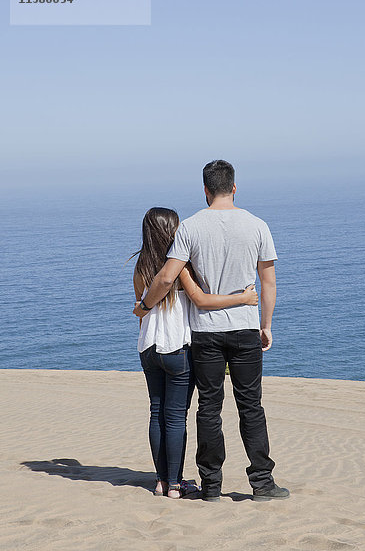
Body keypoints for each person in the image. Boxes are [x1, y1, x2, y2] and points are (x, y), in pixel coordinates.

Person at [134, 160, 289, 502]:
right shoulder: (258, 225)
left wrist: (143, 308)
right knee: (251, 407)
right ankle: (262, 483)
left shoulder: (190, 227)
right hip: (245, 328)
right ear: (234, 187)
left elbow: (165, 277)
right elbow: (269, 281)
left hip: (205, 333)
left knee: (209, 407)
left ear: (205, 190)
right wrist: (266, 325)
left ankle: (211, 486)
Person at [132, 207, 259, 499]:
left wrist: (147, 308)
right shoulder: (180, 266)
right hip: (178, 346)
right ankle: (175, 485)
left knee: (156, 412)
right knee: (176, 417)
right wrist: (244, 297)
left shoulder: (139, 267)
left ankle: (161, 481)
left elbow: (140, 310)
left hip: (148, 346)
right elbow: (201, 300)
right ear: (171, 231)